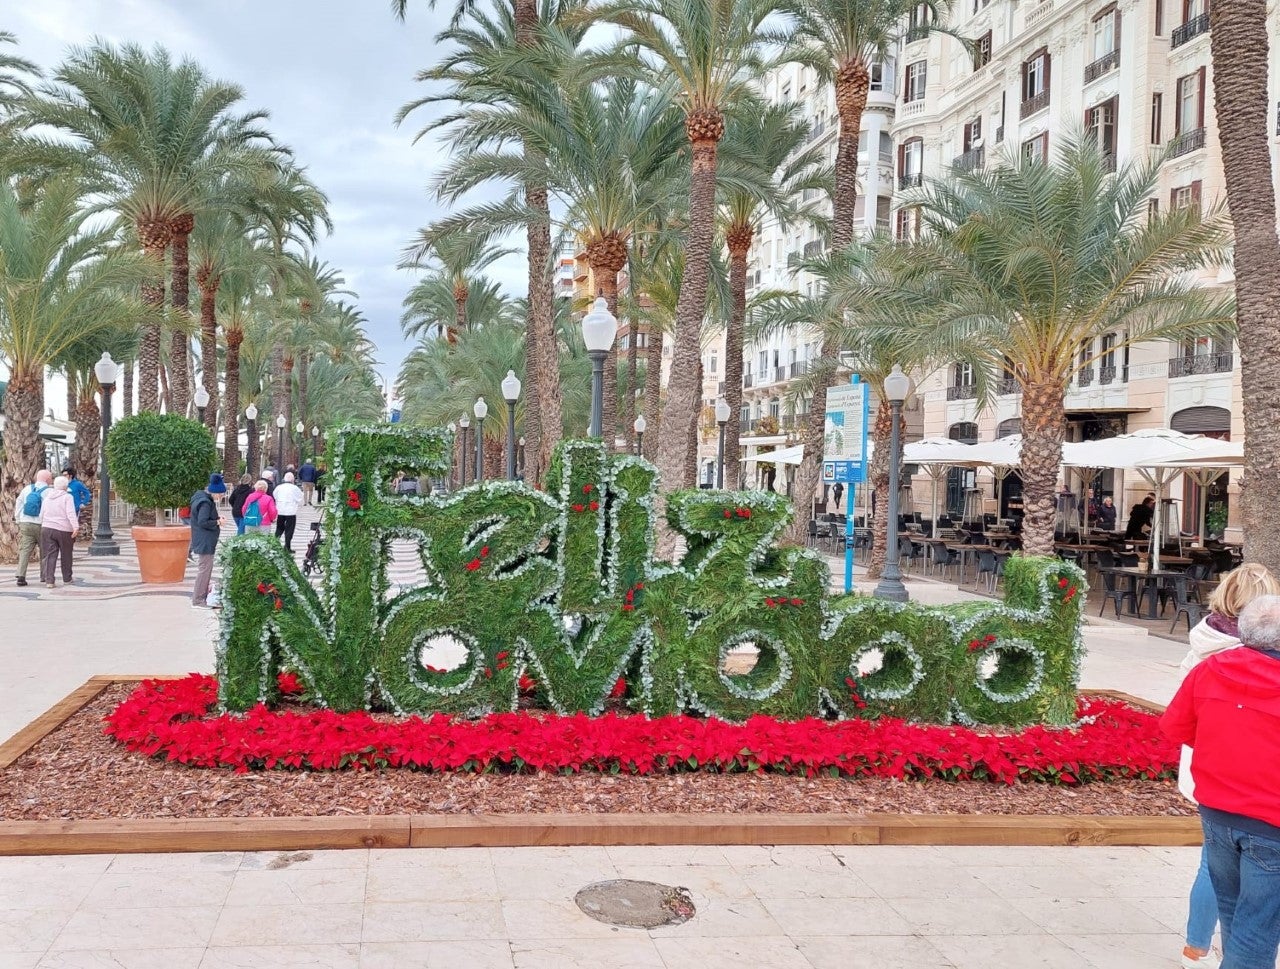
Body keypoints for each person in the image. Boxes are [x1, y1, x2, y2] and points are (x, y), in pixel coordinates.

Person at [1162, 594, 1280, 969]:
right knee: (1256, 928)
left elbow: (1178, 728)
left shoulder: (1211, 669)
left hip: (1217, 810)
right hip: (1269, 821)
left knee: (1234, 913)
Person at [189, 474, 226, 608]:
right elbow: (203, 521)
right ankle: (198, 600)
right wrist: (217, 521)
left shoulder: (200, 498)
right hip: (204, 540)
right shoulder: (205, 502)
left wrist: (216, 518)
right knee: (205, 569)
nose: (221, 497)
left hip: (203, 539)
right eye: (221, 494)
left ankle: (201, 596)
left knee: (205, 568)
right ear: (215, 492)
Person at [13, 469, 53, 587]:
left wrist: (18, 519)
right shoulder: (49, 491)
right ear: (47, 479)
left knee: (25, 550)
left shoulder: (27, 489)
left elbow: (19, 503)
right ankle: (44, 576)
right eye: (50, 477)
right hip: (42, 524)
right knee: (45, 550)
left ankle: (21, 575)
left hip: (25, 523)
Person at [39, 475, 79, 588]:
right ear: (66, 487)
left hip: (47, 528)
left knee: (50, 555)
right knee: (66, 554)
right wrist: (75, 527)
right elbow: (70, 513)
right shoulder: (67, 497)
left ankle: (49, 581)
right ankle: (67, 578)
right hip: (63, 529)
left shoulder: (47, 497)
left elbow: (41, 514)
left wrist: (44, 524)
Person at [273, 471, 304, 552]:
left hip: (280, 511)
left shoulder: (279, 487)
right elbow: (300, 498)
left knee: (279, 528)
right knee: (289, 530)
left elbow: (275, 495)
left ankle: (274, 544)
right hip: (291, 512)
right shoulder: (294, 488)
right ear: (293, 479)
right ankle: (287, 546)